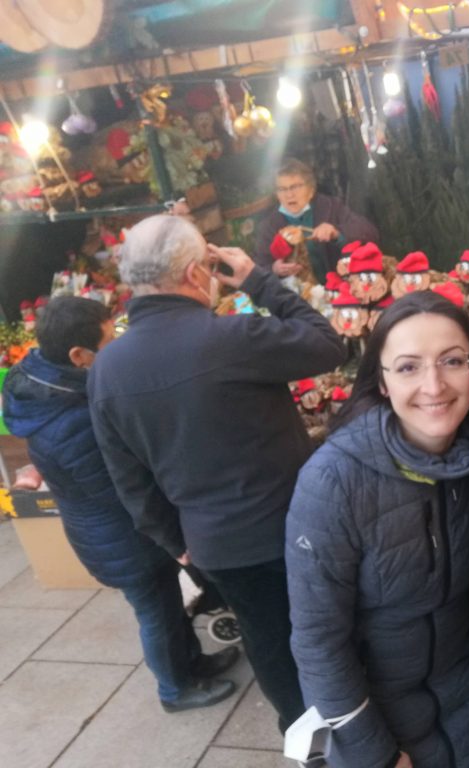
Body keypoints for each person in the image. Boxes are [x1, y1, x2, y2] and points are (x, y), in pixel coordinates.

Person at [88, 214, 348, 734]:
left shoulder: (106, 368)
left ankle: (305, 734)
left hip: (215, 544)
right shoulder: (231, 337)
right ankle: (350, 724)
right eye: (208, 265)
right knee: (330, 629)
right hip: (296, 523)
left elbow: (128, 476)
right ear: (192, 275)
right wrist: (257, 279)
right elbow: (328, 342)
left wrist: (174, 541)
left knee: (268, 641)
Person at [286, 291, 469, 768]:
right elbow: (318, 640)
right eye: (409, 367)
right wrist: (375, 755)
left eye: (452, 361)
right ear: (382, 381)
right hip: (387, 731)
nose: (434, 385)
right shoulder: (333, 482)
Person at [2, 296, 239, 713]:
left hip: (115, 529)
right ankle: (174, 690)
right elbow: (124, 488)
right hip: (122, 537)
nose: (117, 346)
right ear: (79, 355)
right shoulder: (72, 420)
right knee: (157, 614)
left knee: (168, 605)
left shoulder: (53, 387)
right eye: (109, 340)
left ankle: (192, 662)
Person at [255, 158, 379, 284]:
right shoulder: (270, 224)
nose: (289, 195)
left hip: (340, 286)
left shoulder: (331, 206)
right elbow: (259, 267)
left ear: (311, 189)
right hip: (297, 296)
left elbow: (369, 232)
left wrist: (336, 232)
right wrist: (274, 269)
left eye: (295, 187)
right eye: (282, 189)